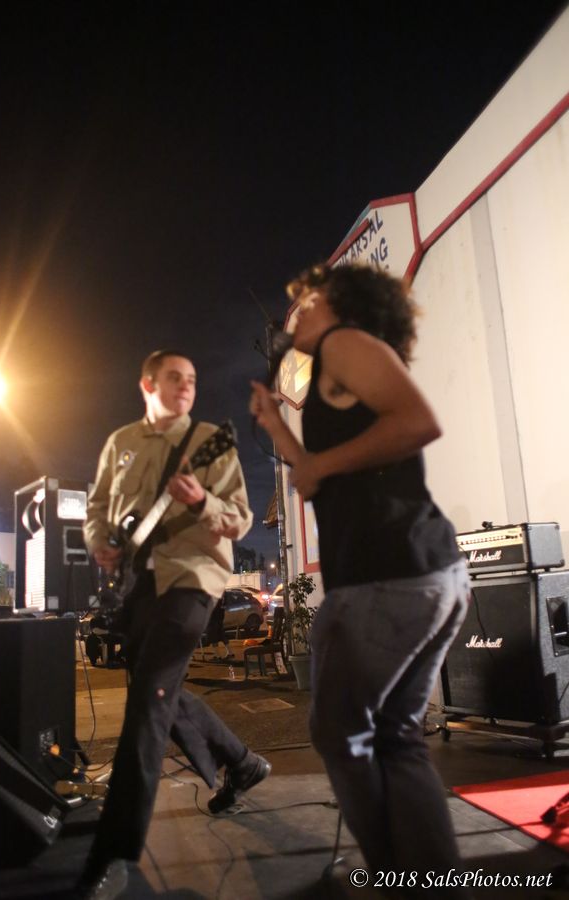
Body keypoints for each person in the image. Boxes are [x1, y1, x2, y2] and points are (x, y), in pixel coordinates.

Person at [250, 264, 470, 896]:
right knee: (396, 736)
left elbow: (418, 421)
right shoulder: (334, 367)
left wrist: (323, 464)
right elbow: (314, 475)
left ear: (340, 304)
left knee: (340, 732)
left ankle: (394, 876)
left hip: (386, 576)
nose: (294, 316)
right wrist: (276, 426)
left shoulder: (345, 343)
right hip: (422, 575)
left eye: (306, 303)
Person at [78, 350, 270, 900]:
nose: (186, 386)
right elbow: (98, 509)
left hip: (192, 580)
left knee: (147, 705)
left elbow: (241, 518)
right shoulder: (120, 443)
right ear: (147, 384)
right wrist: (100, 542)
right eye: (174, 377)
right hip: (137, 587)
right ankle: (242, 764)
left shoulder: (210, 441)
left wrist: (203, 499)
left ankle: (114, 853)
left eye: (192, 379)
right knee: (156, 690)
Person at [206, 592, 234, 660]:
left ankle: (217, 655)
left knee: (213, 636)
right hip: (220, 616)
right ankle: (230, 652)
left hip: (213, 617)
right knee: (221, 634)